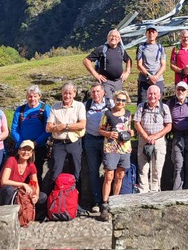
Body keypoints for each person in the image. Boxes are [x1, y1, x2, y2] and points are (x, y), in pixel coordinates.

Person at [98, 90, 134, 221]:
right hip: (111, 148)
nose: (120, 102)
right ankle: (104, 204)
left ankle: (115, 201)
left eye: (123, 100)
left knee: (120, 176)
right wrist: (108, 134)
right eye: (118, 99)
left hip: (124, 148)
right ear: (114, 99)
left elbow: (128, 128)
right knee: (109, 176)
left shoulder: (128, 114)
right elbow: (100, 129)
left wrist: (130, 132)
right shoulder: (107, 113)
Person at [46, 83, 87, 193]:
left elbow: (82, 125)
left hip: (74, 143)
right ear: (61, 93)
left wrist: (64, 126)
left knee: (77, 172)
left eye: (70, 93)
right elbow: (48, 127)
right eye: (65, 93)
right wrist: (72, 126)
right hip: (58, 143)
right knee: (54, 172)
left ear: (74, 94)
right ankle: (51, 199)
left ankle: (77, 200)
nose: (67, 96)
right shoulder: (55, 106)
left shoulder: (79, 106)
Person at [0, 140, 46, 213]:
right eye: (23, 150)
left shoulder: (31, 165)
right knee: (9, 189)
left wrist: (36, 196)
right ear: (19, 151)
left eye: (28, 150)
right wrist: (23, 184)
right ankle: (5, 214)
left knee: (42, 196)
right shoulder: (11, 160)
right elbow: (4, 181)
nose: (26, 152)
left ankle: (30, 216)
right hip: (0, 194)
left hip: (18, 193)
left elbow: (35, 184)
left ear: (31, 153)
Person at [134, 85, 172, 193]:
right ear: (146, 95)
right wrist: (146, 137)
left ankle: (155, 192)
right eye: (150, 94)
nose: (152, 96)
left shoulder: (164, 108)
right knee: (143, 169)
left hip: (158, 141)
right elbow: (136, 123)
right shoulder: (141, 107)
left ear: (159, 96)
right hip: (144, 140)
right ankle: (143, 192)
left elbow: (169, 126)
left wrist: (155, 136)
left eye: (155, 94)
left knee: (157, 169)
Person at [10, 85, 51, 180]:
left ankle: (35, 189)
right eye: (30, 96)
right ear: (26, 97)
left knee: (36, 173)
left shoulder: (46, 109)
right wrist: (23, 144)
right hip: (21, 147)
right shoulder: (20, 110)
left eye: (35, 96)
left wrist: (35, 143)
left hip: (38, 146)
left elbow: (48, 130)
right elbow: (14, 129)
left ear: (39, 96)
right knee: (20, 173)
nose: (32, 99)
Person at [167, 81, 188, 189]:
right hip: (177, 136)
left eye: (183, 90)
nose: (180, 92)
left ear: (187, 92)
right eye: (179, 89)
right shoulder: (170, 104)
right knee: (178, 164)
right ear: (175, 90)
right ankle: (177, 191)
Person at [83, 83, 112, 212]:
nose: (96, 94)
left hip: (107, 140)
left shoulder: (110, 103)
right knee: (93, 171)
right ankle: (96, 201)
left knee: (109, 170)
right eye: (93, 92)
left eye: (98, 91)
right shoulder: (86, 105)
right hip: (91, 140)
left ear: (103, 92)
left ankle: (108, 199)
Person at [83, 29, 132, 101]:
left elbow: (128, 60)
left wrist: (127, 72)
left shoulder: (121, 50)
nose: (113, 38)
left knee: (118, 102)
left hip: (118, 82)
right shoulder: (101, 49)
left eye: (116, 36)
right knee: (108, 102)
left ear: (119, 39)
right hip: (106, 82)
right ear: (107, 38)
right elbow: (86, 60)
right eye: (111, 36)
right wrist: (96, 75)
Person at [136, 26, 166, 102]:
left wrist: (156, 77)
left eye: (153, 32)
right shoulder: (141, 47)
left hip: (158, 80)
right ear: (146, 34)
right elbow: (139, 65)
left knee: (158, 102)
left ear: (156, 34)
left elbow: (163, 65)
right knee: (143, 102)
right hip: (144, 80)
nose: (151, 34)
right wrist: (149, 76)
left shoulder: (161, 48)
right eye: (149, 32)